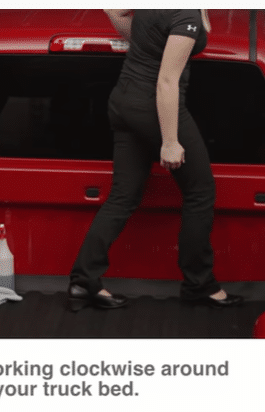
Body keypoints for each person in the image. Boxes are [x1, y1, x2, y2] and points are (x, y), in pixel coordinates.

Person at [67, 9, 243, 311]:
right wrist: (171, 141)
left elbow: (114, 10)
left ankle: (83, 280)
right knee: (200, 193)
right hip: (152, 105)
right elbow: (166, 81)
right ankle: (199, 285)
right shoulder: (183, 14)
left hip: (123, 99)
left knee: (123, 195)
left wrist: (146, 39)